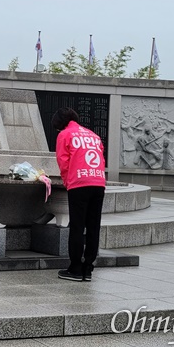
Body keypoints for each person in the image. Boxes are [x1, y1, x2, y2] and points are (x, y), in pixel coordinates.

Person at [51, 107, 106, 282]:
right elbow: (101, 159)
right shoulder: (93, 135)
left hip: (79, 184)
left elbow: (63, 161)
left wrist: (68, 182)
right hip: (98, 183)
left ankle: (75, 268)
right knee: (93, 227)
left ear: (60, 124)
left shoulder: (65, 135)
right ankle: (88, 268)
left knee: (77, 226)